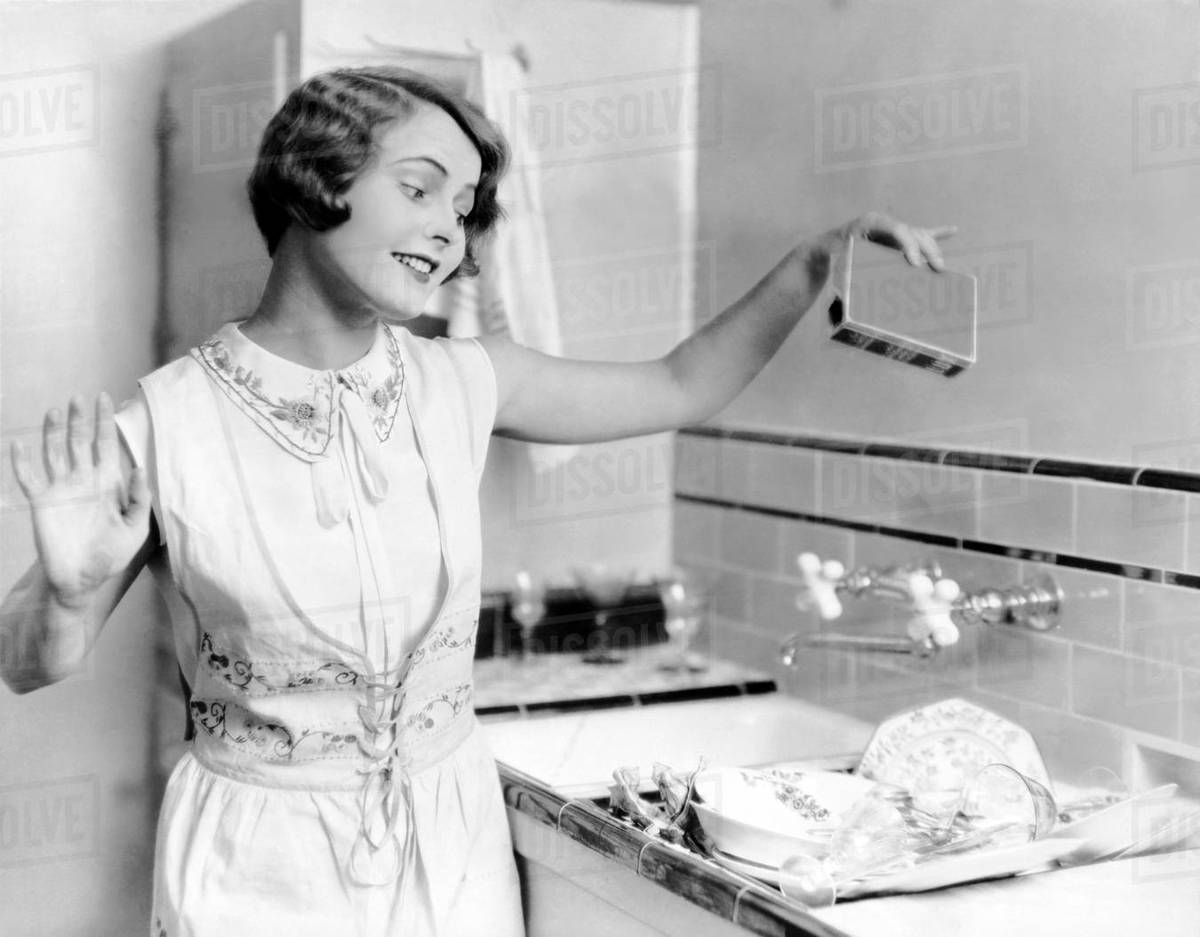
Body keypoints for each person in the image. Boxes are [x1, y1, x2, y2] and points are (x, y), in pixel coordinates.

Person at [0, 66, 954, 936]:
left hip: (452, 842)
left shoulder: (464, 378)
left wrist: (814, 263)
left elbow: (680, 383)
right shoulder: (164, 422)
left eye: (461, 209)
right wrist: (68, 595)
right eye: (418, 189)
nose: (446, 229)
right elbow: (29, 663)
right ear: (314, 180)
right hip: (258, 867)